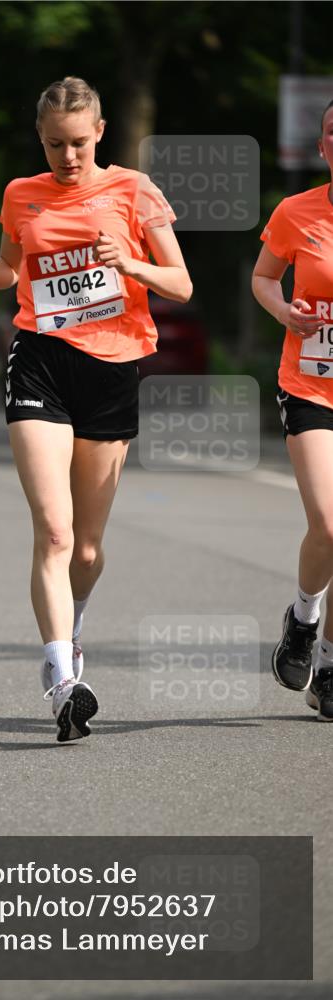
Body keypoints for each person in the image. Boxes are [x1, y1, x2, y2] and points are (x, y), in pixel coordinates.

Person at [0, 77, 192, 742]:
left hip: (111, 368)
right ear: (41, 139)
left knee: (85, 546)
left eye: (78, 143)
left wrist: (133, 266)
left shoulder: (133, 191)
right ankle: (62, 678)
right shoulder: (20, 194)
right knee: (53, 532)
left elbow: (181, 283)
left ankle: (72, 625)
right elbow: (8, 266)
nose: (67, 157)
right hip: (40, 359)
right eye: (55, 144)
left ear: (100, 133)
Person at [251, 98, 333, 723]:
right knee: (329, 525)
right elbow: (263, 278)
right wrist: (284, 312)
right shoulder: (296, 212)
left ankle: (326, 666)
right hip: (308, 384)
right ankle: (304, 621)